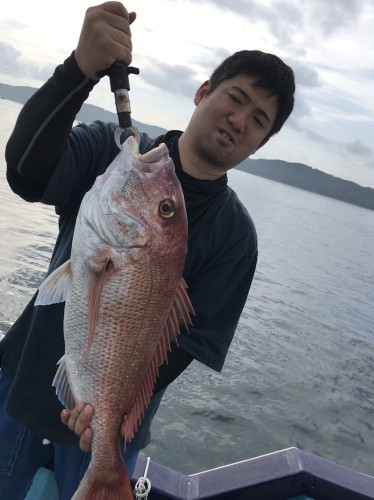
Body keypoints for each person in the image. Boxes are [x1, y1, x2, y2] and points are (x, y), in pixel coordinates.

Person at [0, 2, 295, 499]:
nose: (239, 119)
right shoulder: (116, 156)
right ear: (203, 92)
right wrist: (78, 69)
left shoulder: (236, 239)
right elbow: (26, 172)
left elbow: (185, 346)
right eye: (235, 97)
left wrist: (104, 411)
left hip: (111, 430)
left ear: (262, 141)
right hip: (18, 391)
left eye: (259, 118)